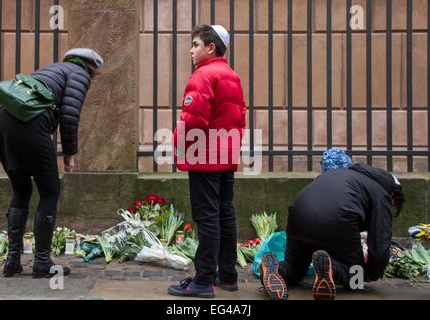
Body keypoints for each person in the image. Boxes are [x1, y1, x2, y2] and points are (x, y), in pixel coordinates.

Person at [0, 48, 103, 278]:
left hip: (3, 124)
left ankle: (12, 260)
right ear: (91, 67)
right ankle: (42, 261)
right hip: (30, 126)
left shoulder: (49, 70)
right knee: (50, 191)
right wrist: (70, 153)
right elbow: (70, 116)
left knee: (21, 190)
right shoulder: (79, 73)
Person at [168, 24, 246, 298]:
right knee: (226, 213)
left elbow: (192, 121)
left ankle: (202, 280)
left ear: (211, 48)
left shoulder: (203, 76)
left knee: (207, 216)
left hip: (205, 158)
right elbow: (239, 120)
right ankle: (227, 274)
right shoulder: (232, 76)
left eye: (196, 44)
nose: (191, 50)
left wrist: (176, 144)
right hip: (225, 157)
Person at [261, 160, 405, 300]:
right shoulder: (382, 194)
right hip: (338, 217)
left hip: (298, 213)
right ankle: (332, 269)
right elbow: (380, 244)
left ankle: (276, 270)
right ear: (393, 193)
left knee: (295, 267)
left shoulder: (344, 174)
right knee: (357, 275)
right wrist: (371, 273)